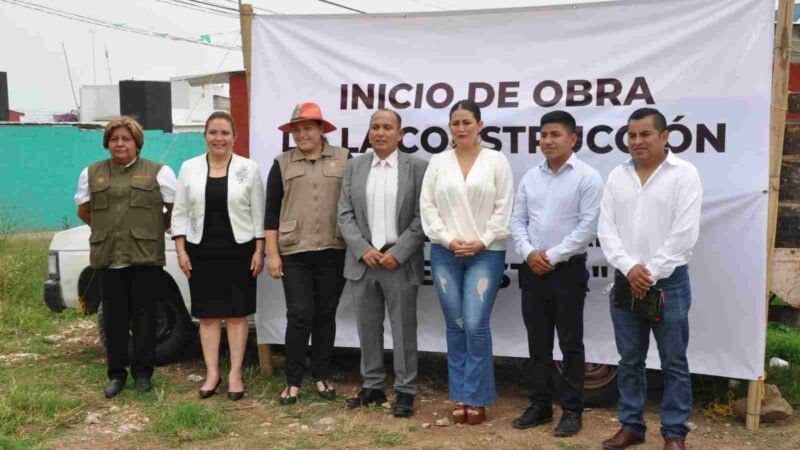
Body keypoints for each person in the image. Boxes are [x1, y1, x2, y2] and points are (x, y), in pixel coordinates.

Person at [598, 108, 702, 450]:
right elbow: (606, 230)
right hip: (626, 283)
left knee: (674, 361)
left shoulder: (684, 174)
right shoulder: (617, 176)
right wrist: (630, 269)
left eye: (645, 134)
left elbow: (684, 233)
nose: (637, 141)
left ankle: (674, 433)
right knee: (629, 361)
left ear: (664, 135)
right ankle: (631, 427)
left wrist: (650, 272)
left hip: (668, 284)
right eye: (632, 135)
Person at [509, 110, 603, 436]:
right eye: (543, 135)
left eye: (555, 135)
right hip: (532, 269)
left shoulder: (587, 177)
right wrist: (529, 252)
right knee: (537, 344)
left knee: (570, 344)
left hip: (566, 271)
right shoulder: (530, 177)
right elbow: (517, 221)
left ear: (572, 138)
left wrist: (550, 255)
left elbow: (587, 227)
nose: (547, 141)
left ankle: (572, 410)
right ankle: (540, 405)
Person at [420, 100, 514, 425]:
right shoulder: (438, 161)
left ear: (480, 125)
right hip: (446, 252)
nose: (461, 128)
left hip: (486, 252)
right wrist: (448, 240)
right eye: (455, 122)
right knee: (455, 324)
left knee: (475, 324)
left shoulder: (496, 161)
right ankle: (460, 394)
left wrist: (482, 241)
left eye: (466, 122)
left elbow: (504, 206)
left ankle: (477, 396)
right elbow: (428, 206)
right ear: (450, 127)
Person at [74, 116, 177, 399]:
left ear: (137, 143)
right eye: (115, 139)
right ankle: (116, 375)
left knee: (145, 319)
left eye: (126, 139)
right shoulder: (92, 173)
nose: (120, 144)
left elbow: (174, 208)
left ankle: (143, 375)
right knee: (114, 321)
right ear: (107, 143)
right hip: (109, 258)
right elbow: (84, 210)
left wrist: (156, 228)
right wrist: (107, 229)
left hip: (145, 258)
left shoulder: (159, 171)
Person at [337, 109, 428, 417]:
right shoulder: (355, 166)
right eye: (375, 127)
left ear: (400, 134)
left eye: (387, 127)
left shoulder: (417, 168)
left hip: (398, 262)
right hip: (363, 261)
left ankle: (405, 391)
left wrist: (399, 252)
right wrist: (363, 249)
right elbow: (344, 214)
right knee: (367, 327)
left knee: (404, 329)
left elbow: (422, 216)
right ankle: (373, 385)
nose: (380, 132)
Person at [171, 111, 265, 401]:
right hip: (201, 251)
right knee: (208, 317)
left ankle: (235, 373)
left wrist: (260, 250)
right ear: (205, 136)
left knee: (237, 316)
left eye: (225, 132)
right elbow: (181, 211)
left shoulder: (249, 169)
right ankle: (212, 373)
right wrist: (181, 249)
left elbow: (258, 213)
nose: (219, 138)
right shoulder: (189, 168)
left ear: (234, 137)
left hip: (240, 250)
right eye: (213, 132)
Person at [264, 102, 350, 405]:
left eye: (307, 128)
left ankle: (322, 376)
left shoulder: (344, 159)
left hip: (333, 249)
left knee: (325, 316)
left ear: (321, 130)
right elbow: (271, 214)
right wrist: (272, 255)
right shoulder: (281, 163)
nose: (301, 134)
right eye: (296, 129)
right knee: (299, 315)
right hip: (294, 252)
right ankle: (293, 381)